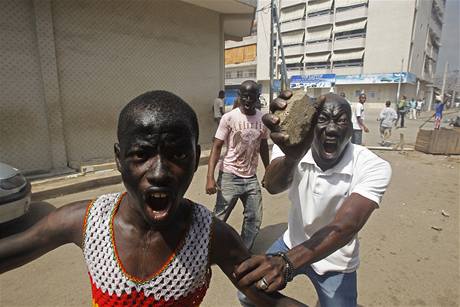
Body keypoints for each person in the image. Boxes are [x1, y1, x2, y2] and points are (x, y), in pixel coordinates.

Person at [0, 91, 306, 307]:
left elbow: (271, 301)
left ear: (195, 157)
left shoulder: (210, 236)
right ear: (119, 158)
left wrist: (293, 156)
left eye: (177, 155)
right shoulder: (86, 221)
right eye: (142, 154)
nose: (159, 172)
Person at [235, 92, 392, 307]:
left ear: (351, 127)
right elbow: (272, 186)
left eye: (341, 120)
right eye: (323, 119)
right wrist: (292, 158)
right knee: (247, 294)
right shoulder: (293, 147)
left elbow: (347, 225)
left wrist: (286, 262)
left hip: (336, 257)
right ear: (310, 125)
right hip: (292, 242)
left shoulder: (372, 165)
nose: (332, 129)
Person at [206, 80, 270, 251]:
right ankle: (207, 249)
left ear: (257, 97)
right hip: (229, 175)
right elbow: (217, 146)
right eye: (245, 96)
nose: (248, 100)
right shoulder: (229, 118)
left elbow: (263, 146)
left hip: (250, 177)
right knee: (220, 217)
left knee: (254, 217)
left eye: (252, 96)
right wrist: (210, 177)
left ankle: (243, 249)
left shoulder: (263, 119)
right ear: (240, 96)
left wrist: (268, 170)